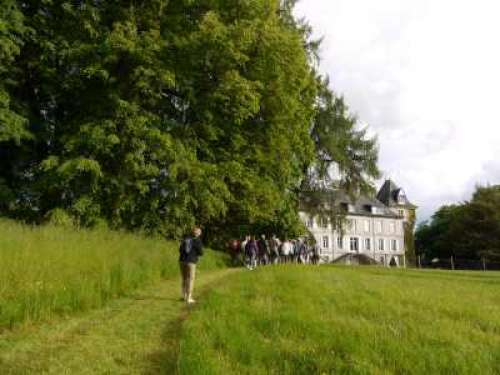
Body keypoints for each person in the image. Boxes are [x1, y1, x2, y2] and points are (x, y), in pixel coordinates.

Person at [179, 227, 203, 304]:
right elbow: (201, 252)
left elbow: (180, 249)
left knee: (184, 278)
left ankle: (184, 296)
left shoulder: (186, 239)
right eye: (199, 232)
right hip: (191, 262)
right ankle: (189, 298)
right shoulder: (198, 240)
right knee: (190, 279)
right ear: (198, 233)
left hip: (182, 261)